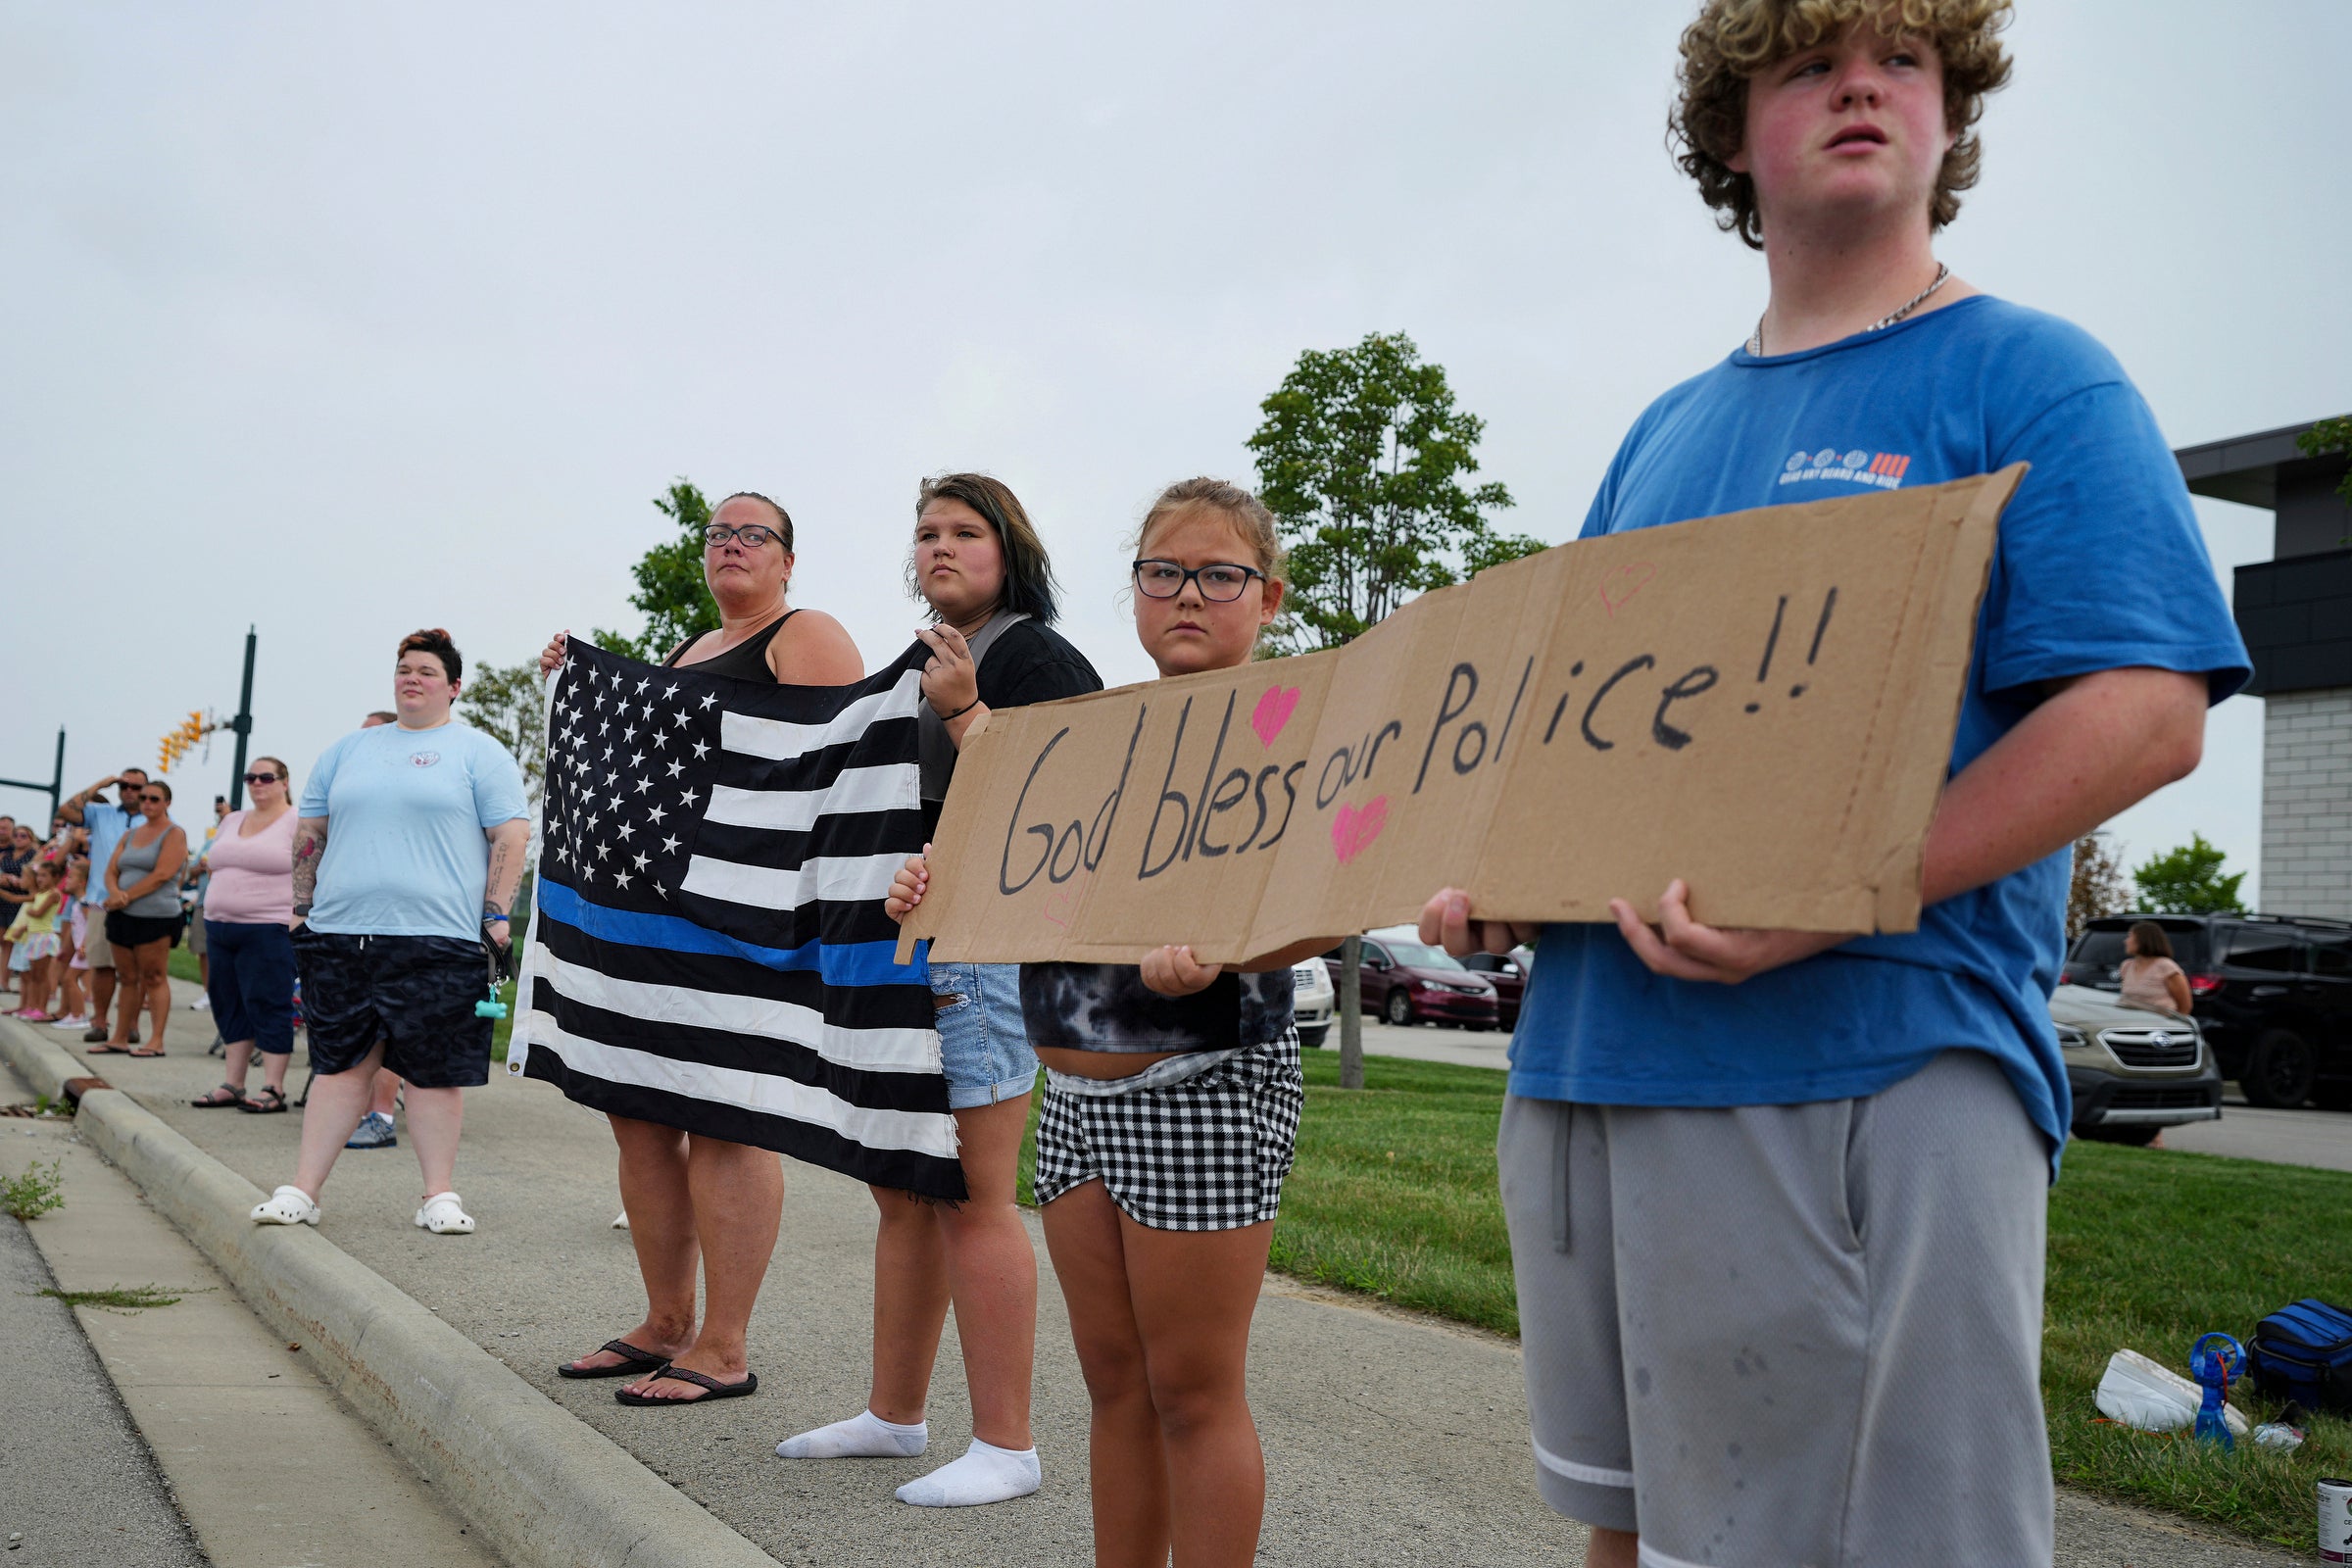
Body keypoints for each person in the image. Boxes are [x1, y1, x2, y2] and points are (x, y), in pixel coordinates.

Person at [1416, 6, 2252, 1563]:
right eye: (1807, 62)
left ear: (1952, 115)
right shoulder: (1663, 433)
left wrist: (1835, 894)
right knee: (1641, 1535)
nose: (1860, 83)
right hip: (1599, 1067)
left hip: (1873, 1063)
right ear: (1733, 135)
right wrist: (1505, 881)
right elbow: (1591, 748)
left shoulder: (2036, 379)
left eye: (1902, 60)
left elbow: (2147, 712)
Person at [889, 478, 1337, 1566]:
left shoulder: (1292, 724)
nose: (1187, 595)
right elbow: (1025, 871)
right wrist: (934, 888)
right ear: (1134, 588)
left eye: (1219, 575)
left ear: (1267, 595)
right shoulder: (1093, 732)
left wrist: (1230, 952)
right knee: (1116, 1386)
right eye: (1163, 572)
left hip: (1204, 1089)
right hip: (1074, 1099)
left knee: (1192, 1390)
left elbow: (1335, 903)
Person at [776, 474, 1102, 1506]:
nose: (942, 547)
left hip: (985, 958)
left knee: (972, 1194)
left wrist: (965, 712)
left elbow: (1068, 811)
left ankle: (1008, 1443)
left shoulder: (1037, 659)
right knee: (906, 1190)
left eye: (966, 531)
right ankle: (894, 1414)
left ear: (1012, 551)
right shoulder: (921, 661)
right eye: (927, 533)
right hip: (909, 949)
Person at [538, 491, 865, 1403]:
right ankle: (666, 1321)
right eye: (719, 534)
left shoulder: (806, 634)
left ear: (788, 560)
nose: (733, 545)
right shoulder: (687, 651)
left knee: (726, 1119)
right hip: (657, 925)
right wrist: (581, 682)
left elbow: (835, 764)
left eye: (754, 534)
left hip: (744, 929)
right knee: (640, 1114)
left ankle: (724, 1347)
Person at [249, 629, 530, 1235]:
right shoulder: (348, 751)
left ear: (453, 687)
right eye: (405, 669)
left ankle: (438, 1196)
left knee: (433, 1073)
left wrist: (495, 916)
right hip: (340, 933)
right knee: (339, 1066)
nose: (412, 679)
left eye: (427, 671)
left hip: (441, 937)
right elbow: (311, 832)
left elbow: (510, 836)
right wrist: (301, 908)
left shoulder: (478, 753)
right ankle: (302, 1191)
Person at [189, 758, 301, 1113]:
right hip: (220, 925)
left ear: (284, 782)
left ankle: (273, 1087)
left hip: (269, 927)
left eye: (266, 777)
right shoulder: (232, 820)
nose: (257, 783)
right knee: (227, 1001)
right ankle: (233, 1084)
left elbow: (311, 871)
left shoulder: (296, 820)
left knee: (268, 1002)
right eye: (250, 777)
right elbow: (214, 864)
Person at [92, 779, 188, 1057]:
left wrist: (124, 896)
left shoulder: (174, 833)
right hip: (122, 916)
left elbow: (163, 874)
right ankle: (119, 1038)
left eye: (154, 798)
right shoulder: (130, 834)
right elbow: (112, 869)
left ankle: (156, 1041)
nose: (147, 802)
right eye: (144, 797)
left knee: (154, 976)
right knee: (127, 977)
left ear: (167, 802)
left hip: (155, 916)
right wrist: (115, 893)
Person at [59, 767, 149, 1046]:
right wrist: (101, 784)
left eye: (136, 787)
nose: (129, 791)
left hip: (139, 902)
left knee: (135, 970)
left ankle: (131, 1025)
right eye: (124, 786)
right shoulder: (101, 813)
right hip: (101, 901)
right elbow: (66, 810)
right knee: (101, 967)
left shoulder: (155, 819)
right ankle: (99, 1022)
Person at [6, 862, 65, 1020]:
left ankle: (41, 1008)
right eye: (39, 875)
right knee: (34, 976)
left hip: (44, 937)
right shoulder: (39, 894)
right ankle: (32, 1006)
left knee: (42, 976)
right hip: (34, 937)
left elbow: (38, 913)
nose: (39, 879)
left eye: (44, 876)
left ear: (56, 877)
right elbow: (15, 898)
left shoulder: (53, 894)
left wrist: (30, 911)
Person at [2118, 920, 2192, 1014]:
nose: (2125, 941)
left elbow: (2185, 1007)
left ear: (2143, 939)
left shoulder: (2166, 966)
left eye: (2130, 936)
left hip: (2160, 1022)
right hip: (2131, 1021)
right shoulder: (2126, 966)